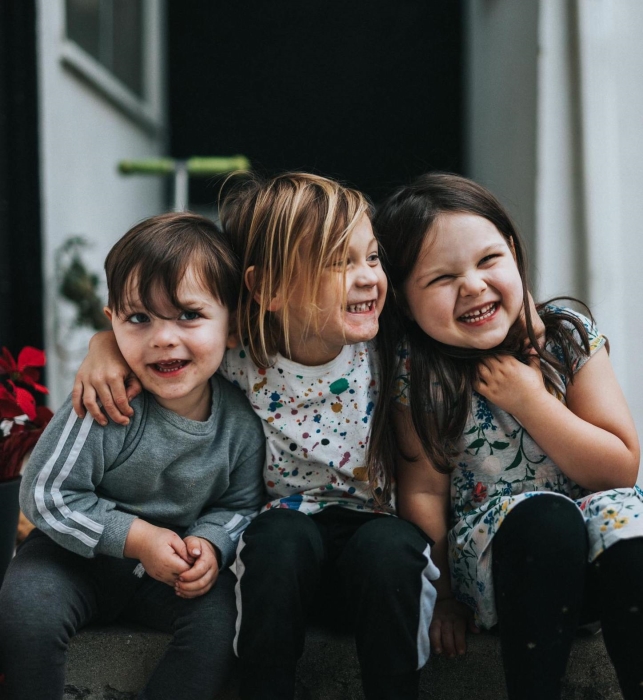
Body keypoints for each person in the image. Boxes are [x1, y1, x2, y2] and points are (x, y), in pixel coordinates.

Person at [69, 173, 441, 700]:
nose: (368, 277)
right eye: (340, 262)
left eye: (373, 257)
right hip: (285, 566)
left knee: (391, 549)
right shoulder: (246, 356)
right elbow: (178, 332)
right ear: (267, 289)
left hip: (374, 553)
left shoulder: (390, 347)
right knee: (278, 538)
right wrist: (104, 344)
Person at [373, 172, 643, 699]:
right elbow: (423, 492)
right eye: (441, 278)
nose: (472, 285)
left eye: (488, 260)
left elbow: (620, 468)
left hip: (597, 560)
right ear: (404, 302)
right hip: (507, 570)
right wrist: (442, 597)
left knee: (631, 518)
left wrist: (532, 402)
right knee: (545, 519)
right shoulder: (421, 372)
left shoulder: (567, 334)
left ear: (515, 254)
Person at [0, 212, 266, 700]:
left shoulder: (241, 426)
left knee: (223, 620)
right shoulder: (106, 401)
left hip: (172, 571)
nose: (163, 337)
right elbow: (44, 492)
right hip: (71, 559)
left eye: (189, 314)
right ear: (113, 323)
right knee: (25, 609)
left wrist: (210, 544)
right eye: (138, 318)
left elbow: (242, 506)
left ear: (233, 325)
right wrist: (138, 538)